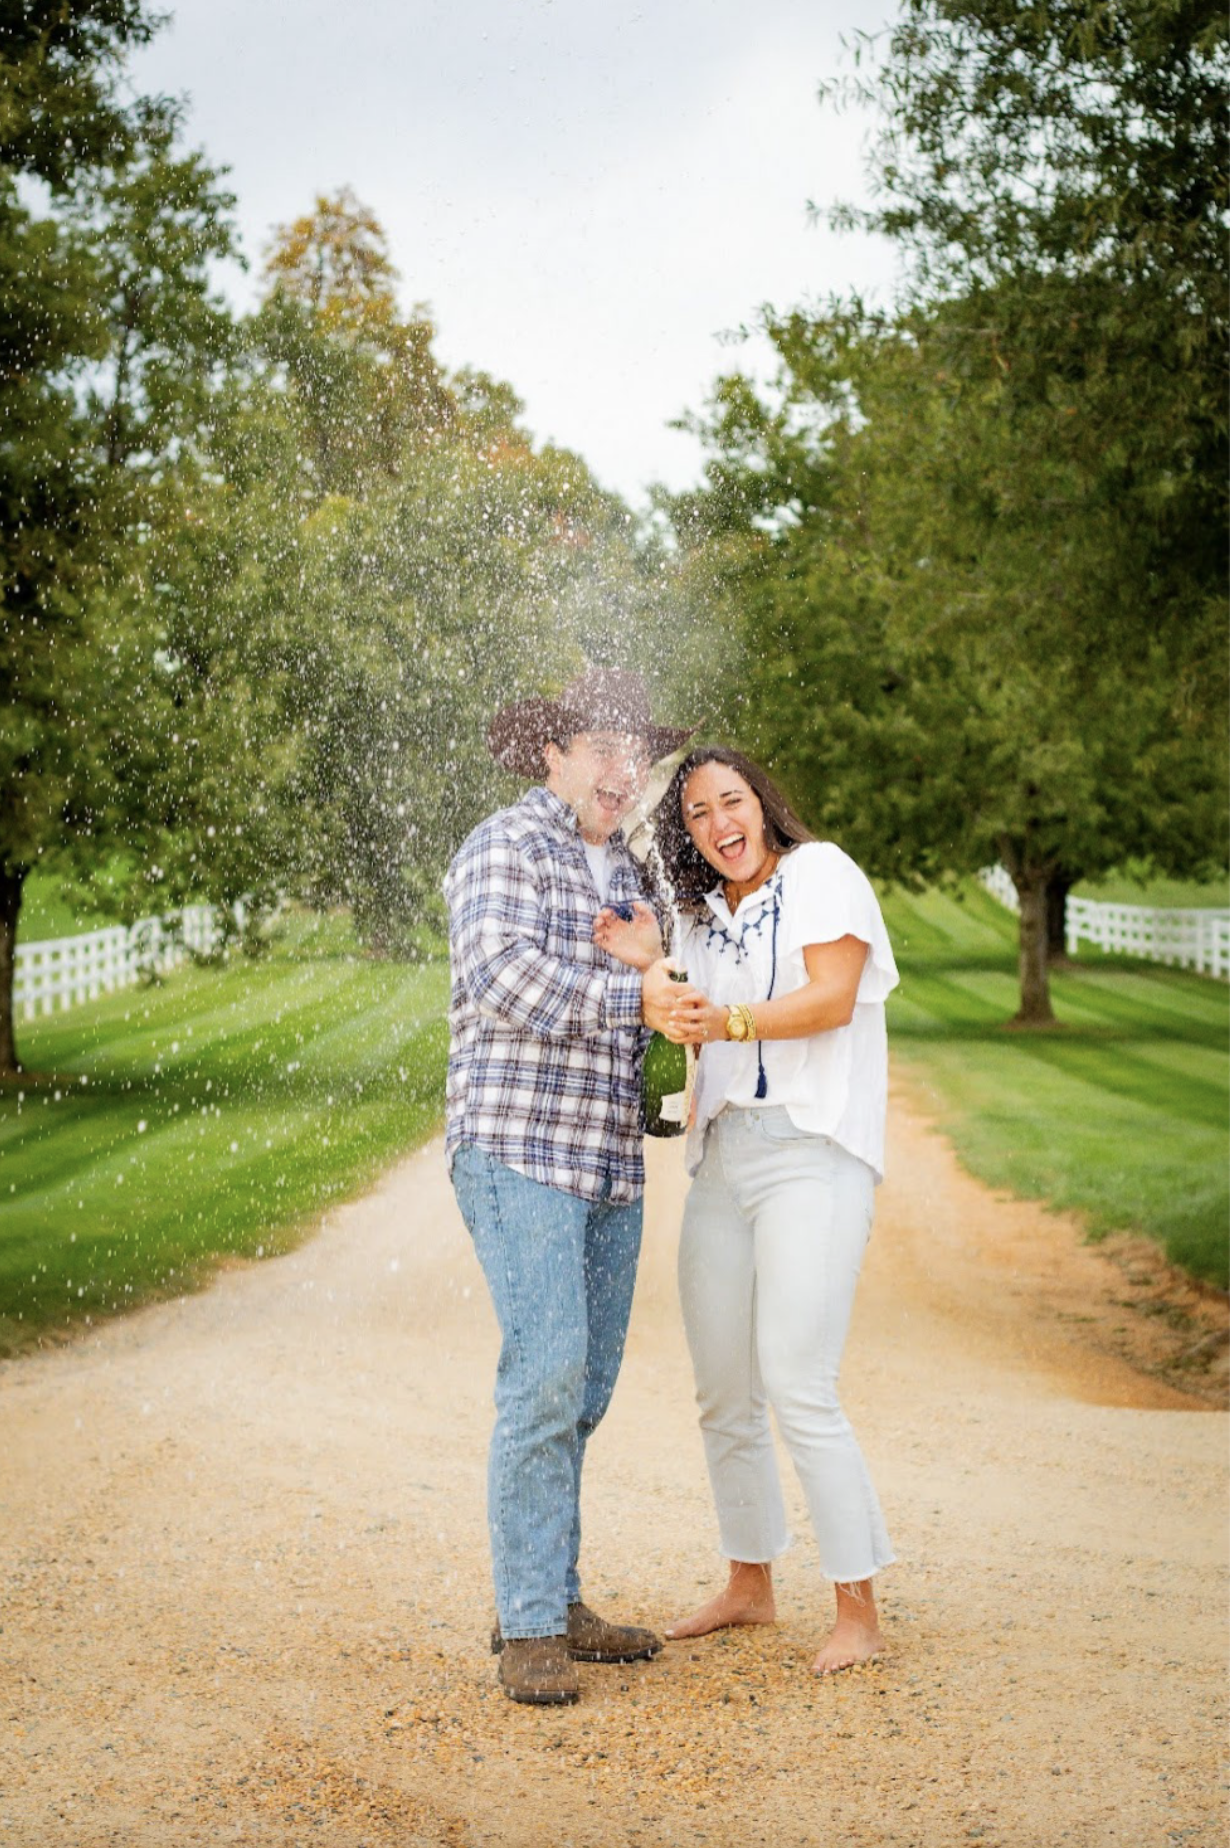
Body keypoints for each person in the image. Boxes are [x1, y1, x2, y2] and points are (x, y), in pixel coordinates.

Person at [594, 744, 898, 1676]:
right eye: (696, 814)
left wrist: (724, 1022)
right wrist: (654, 969)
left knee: (799, 1380)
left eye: (732, 802)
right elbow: (684, 1009)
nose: (719, 824)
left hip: (812, 1155)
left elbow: (831, 999)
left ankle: (858, 1612)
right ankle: (749, 1583)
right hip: (723, 1159)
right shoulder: (699, 920)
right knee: (725, 1387)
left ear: (762, 804)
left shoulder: (820, 873)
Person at [444, 667, 693, 1707]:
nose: (621, 767)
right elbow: (502, 975)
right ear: (551, 755)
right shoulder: (508, 844)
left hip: (605, 1163)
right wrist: (634, 993)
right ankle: (532, 1629)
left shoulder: (634, 865)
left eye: (634, 750)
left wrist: (658, 977)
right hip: (518, 1151)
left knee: (581, 1392)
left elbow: (670, 978)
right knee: (546, 1374)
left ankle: (546, 1592)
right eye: (600, 745)